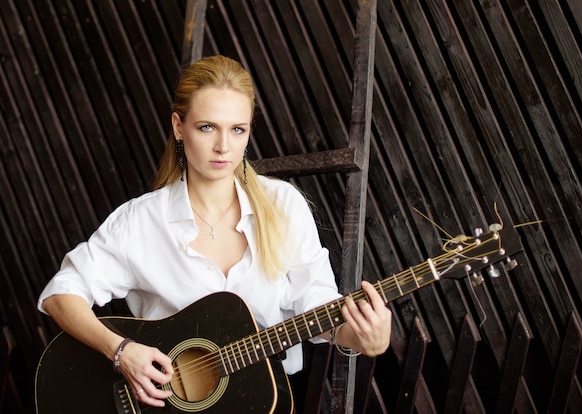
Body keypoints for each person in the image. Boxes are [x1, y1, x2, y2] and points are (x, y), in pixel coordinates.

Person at [38, 55, 391, 409]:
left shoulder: (283, 206)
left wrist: (360, 339)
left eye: (237, 129)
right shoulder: (140, 221)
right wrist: (121, 351)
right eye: (207, 127)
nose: (224, 146)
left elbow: (315, 305)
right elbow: (60, 294)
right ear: (178, 126)